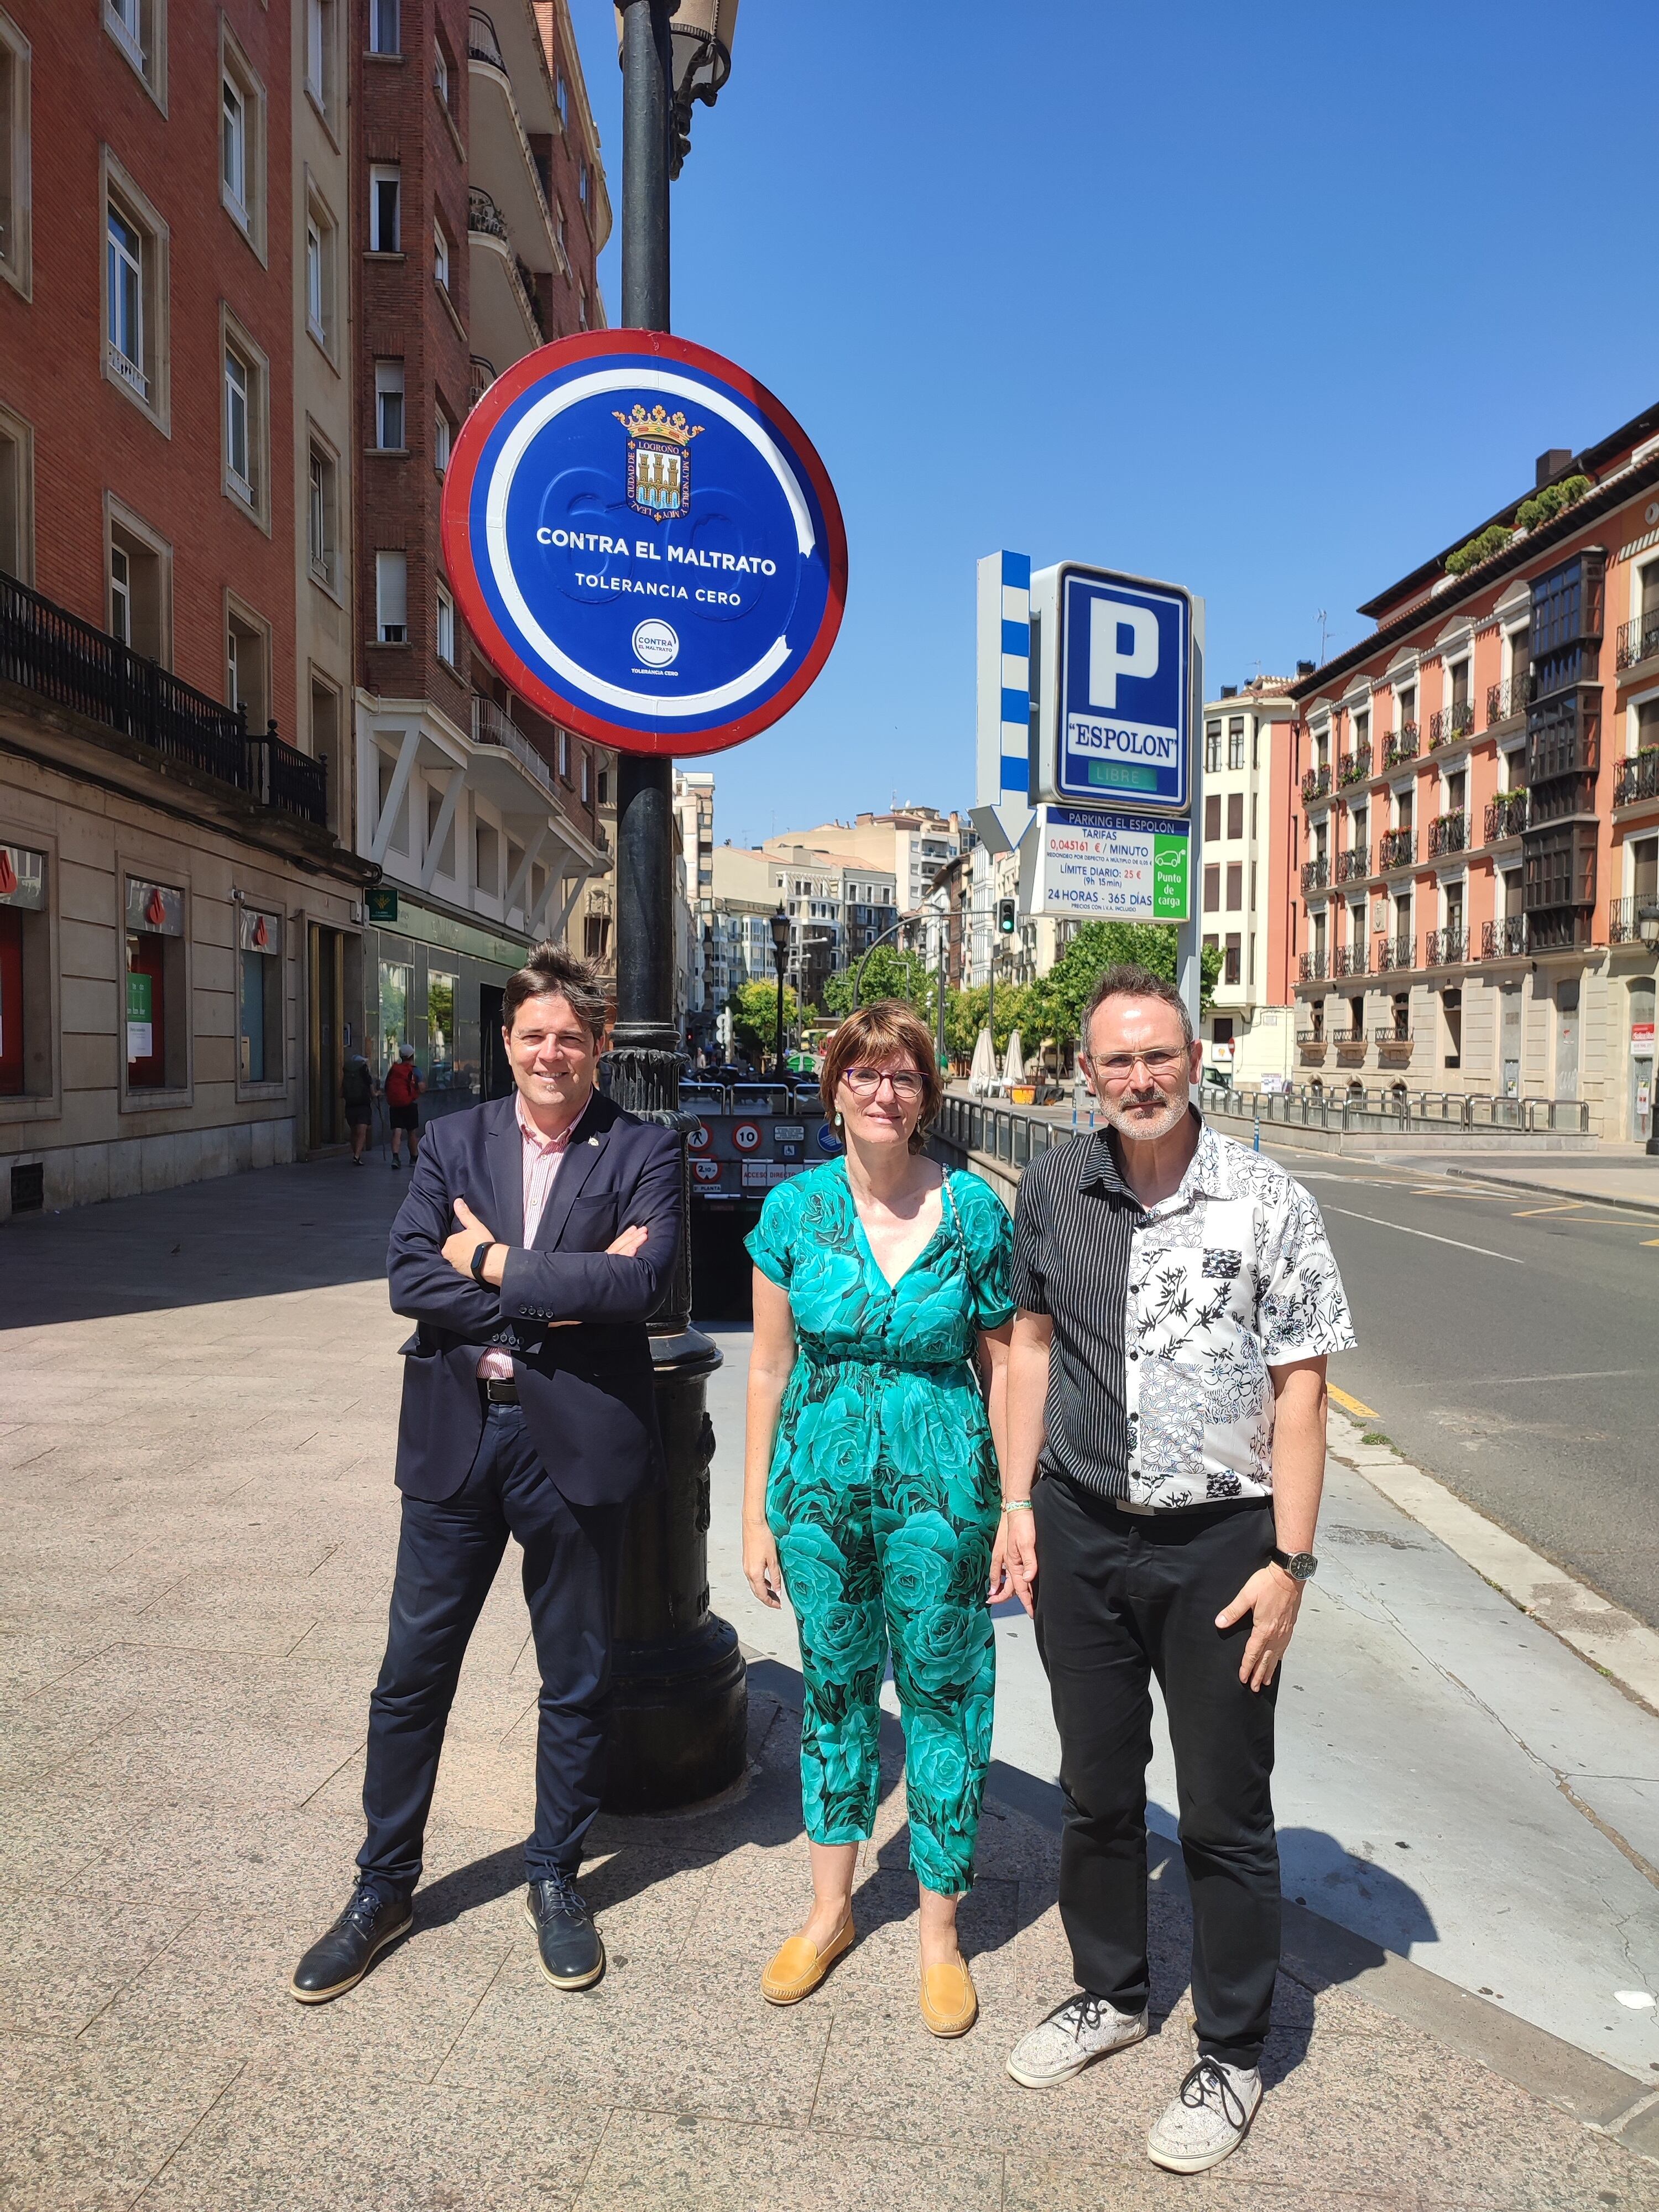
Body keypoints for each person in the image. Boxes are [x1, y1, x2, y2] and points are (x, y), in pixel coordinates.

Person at [997, 963, 1353, 2174]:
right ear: (1086, 1072)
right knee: (1096, 1784)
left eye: (1159, 1055)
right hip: (1083, 1526)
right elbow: (1030, 1345)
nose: (1139, 1077)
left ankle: (1234, 2046)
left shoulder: (1269, 1199)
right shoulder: (1053, 1186)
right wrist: (1018, 1503)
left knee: (1222, 1808)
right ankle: (1111, 1990)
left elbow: (1302, 1393)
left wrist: (1292, 1561)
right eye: (1116, 1060)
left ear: (1193, 1059)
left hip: (1220, 1542)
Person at [289, 944, 682, 2005]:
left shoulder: (643, 1148)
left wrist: (493, 1261)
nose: (552, 1052)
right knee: (413, 1671)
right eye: (534, 1035)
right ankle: (383, 1885)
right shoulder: (454, 1140)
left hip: (578, 1448)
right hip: (461, 1438)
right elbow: (407, 1275)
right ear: (506, 1044)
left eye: (572, 1036)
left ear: (600, 1047)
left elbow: (642, 1284)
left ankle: (555, 1873)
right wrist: (561, 1291)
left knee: (579, 1676)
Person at [742, 1000, 1016, 2038]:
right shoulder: (795, 1213)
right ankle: (831, 1910)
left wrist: (1014, 1505)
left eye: (903, 1077)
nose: (884, 1092)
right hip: (817, 1493)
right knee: (836, 1693)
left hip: (944, 1496)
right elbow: (768, 1366)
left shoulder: (978, 1213)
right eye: (864, 1075)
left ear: (926, 1095)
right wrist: (755, 1512)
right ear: (836, 1090)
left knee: (946, 1698)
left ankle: (941, 1936)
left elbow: (1001, 1363)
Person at [384, 1042, 425, 1167]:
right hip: (410, 1104)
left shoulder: (394, 1070)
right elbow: (422, 1088)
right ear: (412, 1056)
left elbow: (386, 1086)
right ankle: (414, 1158)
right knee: (412, 1132)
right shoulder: (415, 1070)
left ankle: (396, 1158)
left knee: (397, 1131)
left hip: (395, 1105)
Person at [341, 1050, 375, 1166]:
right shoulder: (366, 1077)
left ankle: (355, 1154)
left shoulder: (347, 1077)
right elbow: (373, 1094)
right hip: (363, 1106)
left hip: (350, 1106)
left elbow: (341, 1093)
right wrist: (377, 1094)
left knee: (353, 1132)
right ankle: (357, 1155)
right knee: (362, 1133)